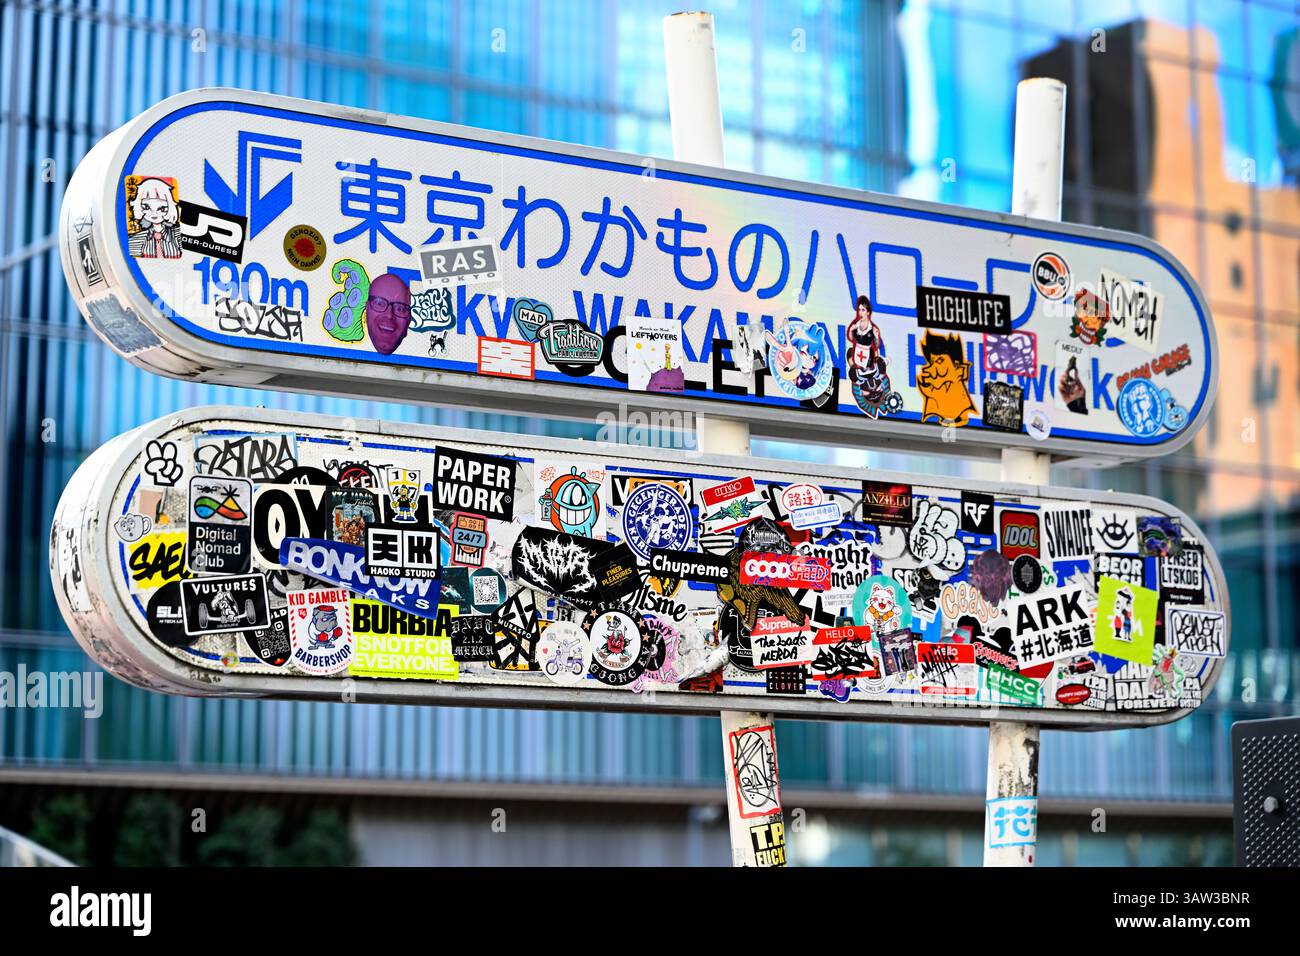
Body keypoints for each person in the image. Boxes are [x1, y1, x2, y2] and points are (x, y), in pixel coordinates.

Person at [127, 177, 182, 259]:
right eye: (146, 207)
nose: (154, 213)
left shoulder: (177, 235)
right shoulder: (137, 239)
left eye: (162, 208)